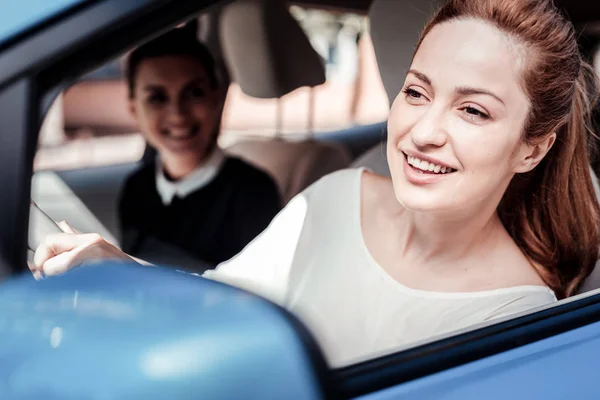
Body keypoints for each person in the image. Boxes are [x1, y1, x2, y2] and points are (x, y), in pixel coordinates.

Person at [31, 0, 600, 367]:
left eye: (473, 111)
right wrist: (117, 269)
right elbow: (220, 301)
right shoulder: (337, 194)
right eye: (417, 92)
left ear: (532, 147)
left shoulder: (519, 324)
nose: (423, 132)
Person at [118, 29, 281, 267]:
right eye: (157, 98)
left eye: (194, 93)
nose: (178, 115)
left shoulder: (253, 192)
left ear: (215, 98)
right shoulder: (135, 189)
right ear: (134, 109)